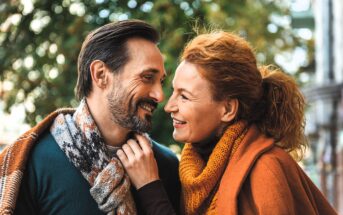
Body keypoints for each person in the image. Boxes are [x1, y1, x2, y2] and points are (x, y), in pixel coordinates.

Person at [117, 31, 337, 214]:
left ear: (228, 109)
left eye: (184, 96)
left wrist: (150, 189)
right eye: (174, 91)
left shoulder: (266, 170)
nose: (169, 106)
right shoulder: (197, 168)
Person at [0, 20, 180, 215]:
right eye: (147, 77)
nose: (160, 95)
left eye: (161, 81)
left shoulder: (165, 166)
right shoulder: (31, 163)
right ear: (100, 74)